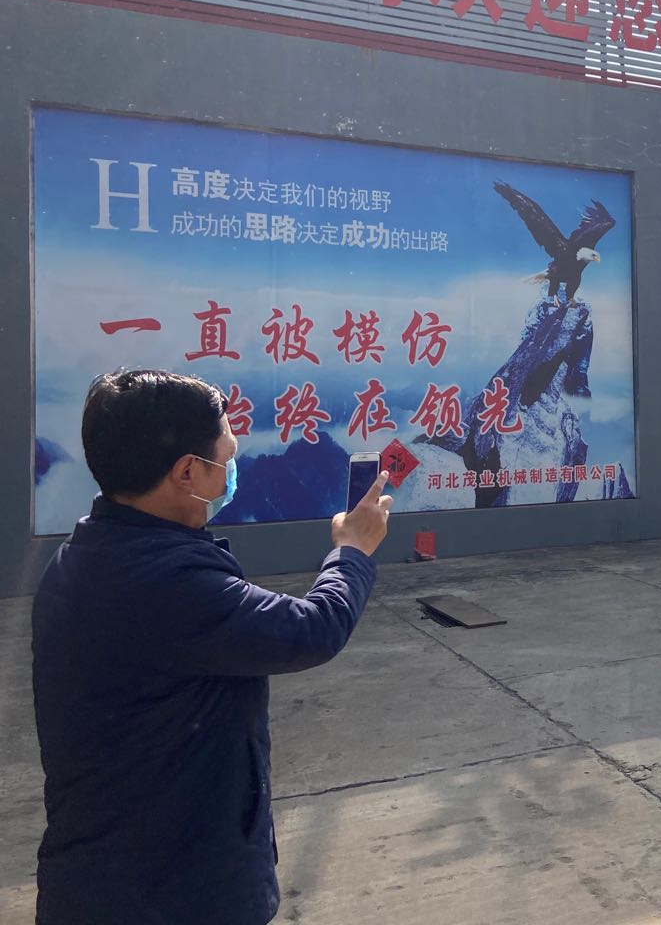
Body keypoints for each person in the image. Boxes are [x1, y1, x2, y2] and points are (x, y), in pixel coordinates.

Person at [31, 369, 392, 924]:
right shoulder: (165, 581)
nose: (232, 470)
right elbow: (312, 629)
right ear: (186, 472)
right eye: (226, 458)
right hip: (172, 891)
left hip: (109, 871)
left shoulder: (89, 553)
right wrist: (353, 552)